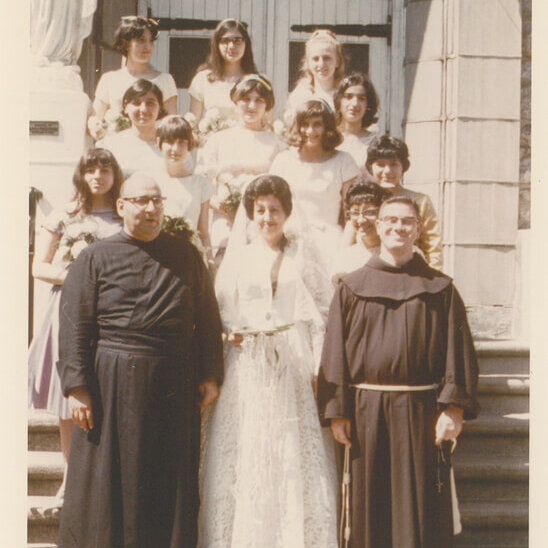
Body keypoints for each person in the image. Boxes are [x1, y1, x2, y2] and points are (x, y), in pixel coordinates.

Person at [56, 173, 224, 547]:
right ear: (121, 206)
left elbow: (208, 317)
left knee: (167, 482)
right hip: (110, 385)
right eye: (142, 201)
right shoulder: (94, 257)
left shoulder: (186, 255)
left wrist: (211, 373)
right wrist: (77, 386)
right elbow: (73, 324)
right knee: (107, 483)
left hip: (172, 383)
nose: (151, 209)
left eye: (157, 201)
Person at [317, 196, 479, 548]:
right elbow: (334, 354)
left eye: (407, 222)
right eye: (390, 220)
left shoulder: (441, 288)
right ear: (377, 226)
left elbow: (458, 351)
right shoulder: (351, 286)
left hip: (422, 412)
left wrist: (453, 408)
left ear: (419, 229)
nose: (398, 228)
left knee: (419, 504)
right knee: (366, 505)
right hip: (365, 413)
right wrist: (337, 411)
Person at [199, 175, 337, 547]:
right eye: (260, 210)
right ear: (251, 214)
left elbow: (322, 311)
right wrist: (233, 332)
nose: (267, 217)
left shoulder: (303, 255)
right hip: (248, 363)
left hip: (293, 357)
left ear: (287, 213)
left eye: (275, 210)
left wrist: (318, 364)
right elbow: (223, 308)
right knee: (250, 442)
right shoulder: (238, 256)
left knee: (290, 443)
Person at [28, 148, 123, 508]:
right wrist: (79, 277)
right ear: (81, 175)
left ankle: (103, 477)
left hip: (111, 314)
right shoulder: (66, 215)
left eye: (105, 169)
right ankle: (70, 476)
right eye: (91, 170)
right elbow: (40, 266)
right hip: (68, 310)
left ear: (115, 175)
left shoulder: (121, 213)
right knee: (69, 393)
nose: (98, 176)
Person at [197, 74, 285, 260]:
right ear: (235, 102)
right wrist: (218, 203)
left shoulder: (276, 143)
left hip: (262, 222)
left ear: (267, 105)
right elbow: (201, 183)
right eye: (245, 99)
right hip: (224, 219)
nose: (252, 106)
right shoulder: (218, 140)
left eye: (259, 101)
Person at [270, 99, 360, 267]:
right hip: (291, 242)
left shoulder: (343, 161)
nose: (310, 131)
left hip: (331, 243)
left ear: (327, 127)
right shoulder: (283, 160)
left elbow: (352, 213)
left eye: (317, 124)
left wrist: (345, 251)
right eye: (305, 124)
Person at [88, 15, 177, 140]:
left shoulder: (165, 80)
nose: (148, 47)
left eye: (150, 41)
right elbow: (95, 118)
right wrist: (97, 129)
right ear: (126, 43)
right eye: (141, 40)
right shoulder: (109, 79)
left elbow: (171, 124)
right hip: (117, 148)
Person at [366, 134, 443, 269]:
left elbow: (432, 246)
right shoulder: (363, 201)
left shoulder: (420, 201)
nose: (387, 171)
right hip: (371, 269)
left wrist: (434, 280)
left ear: (403, 167)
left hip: (412, 271)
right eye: (381, 164)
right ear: (370, 167)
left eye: (394, 164)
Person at [154, 114, 214, 265]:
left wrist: (210, 261)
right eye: (169, 141)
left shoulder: (200, 184)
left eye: (181, 143)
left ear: (189, 146)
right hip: (158, 255)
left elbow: (203, 232)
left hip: (190, 256)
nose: (175, 149)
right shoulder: (151, 181)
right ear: (158, 143)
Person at [188, 18, 257, 127]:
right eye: (225, 40)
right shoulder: (202, 79)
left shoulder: (255, 81)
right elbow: (192, 123)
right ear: (217, 44)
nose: (231, 46)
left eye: (237, 40)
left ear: (246, 43)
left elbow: (265, 125)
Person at [97, 79, 166, 176]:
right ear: (125, 107)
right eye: (136, 103)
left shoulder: (170, 145)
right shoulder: (110, 145)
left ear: (160, 108)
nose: (143, 109)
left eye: (150, 103)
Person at [333, 180, 390, 281]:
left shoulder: (400, 252)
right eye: (355, 213)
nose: (361, 220)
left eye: (369, 212)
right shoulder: (346, 257)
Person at [284, 29, 344, 124]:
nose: (321, 63)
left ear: (337, 61)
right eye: (316, 59)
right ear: (308, 63)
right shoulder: (299, 95)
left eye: (327, 58)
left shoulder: (344, 95)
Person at [334, 72, 379, 180]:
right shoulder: (328, 139)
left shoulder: (375, 142)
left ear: (368, 105)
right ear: (339, 101)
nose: (355, 103)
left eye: (361, 98)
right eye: (348, 97)